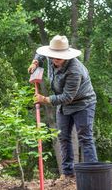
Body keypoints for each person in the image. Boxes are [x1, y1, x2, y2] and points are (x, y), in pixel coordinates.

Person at [28, 35, 98, 180]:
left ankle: (92, 173)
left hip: (83, 103)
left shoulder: (75, 70)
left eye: (58, 58)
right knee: (63, 136)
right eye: (52, 57)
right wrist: (35, 62)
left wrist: (44, 99)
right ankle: (68, 173)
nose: (54, 60)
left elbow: (67, 97)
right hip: (63, 105)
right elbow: (40, 53)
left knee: (85, 137)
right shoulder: (51, 56)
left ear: (66, 56)